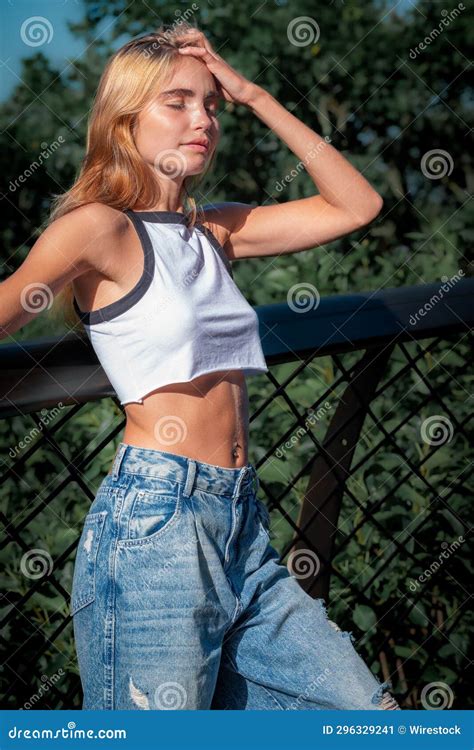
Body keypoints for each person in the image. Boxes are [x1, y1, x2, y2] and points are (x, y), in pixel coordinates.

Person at [0, 22, 399, 710]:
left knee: (367, 717)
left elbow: (357, 205)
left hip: (241, 523)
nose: (204, 120)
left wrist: (256, 94)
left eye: (211, 105)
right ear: (125, 120)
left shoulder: (210, 230)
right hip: (158, 524)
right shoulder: (97, 228)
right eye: (178, 102)